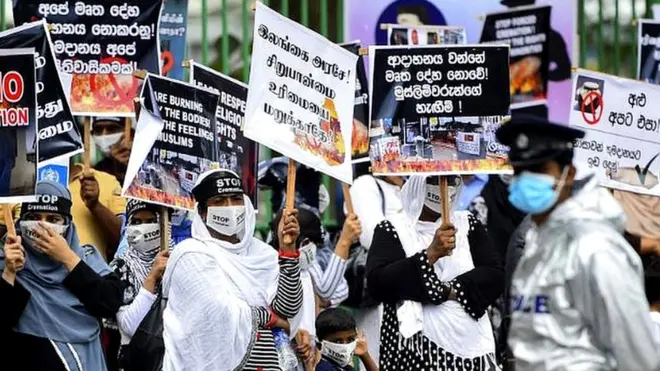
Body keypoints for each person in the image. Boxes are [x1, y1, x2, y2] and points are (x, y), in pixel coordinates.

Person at [496, 116, 660, 370]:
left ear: (568, 174)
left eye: (539, 171)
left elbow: (639, 356)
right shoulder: (535, 242)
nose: (526, 180)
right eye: (519, 171)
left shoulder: (595, 248)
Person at [162, 169, 303, 371]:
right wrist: (270, 318)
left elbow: (287, 311)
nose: (230, 208)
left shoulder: (263, 254)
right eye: (219, 201)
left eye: (236, 199)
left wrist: (288, 252)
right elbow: (217, 312)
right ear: (202, 211)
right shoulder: (190, 254)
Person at [366, 175, 503, 370]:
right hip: (416, 351)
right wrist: (430, 254)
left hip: (471, 343)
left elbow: (495, 274)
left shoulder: (467, 224)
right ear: (418, 182)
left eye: (451, 180)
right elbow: (378, 284)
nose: (444, 186)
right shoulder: (393, 228)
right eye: (435, 180)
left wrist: (450, 290)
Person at [0, 180, 123, 371]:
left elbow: (109, 303)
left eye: (53, 219)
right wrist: (9, 272)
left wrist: (67, 258)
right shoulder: (7, 259)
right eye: (34, 216)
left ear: (68, 225)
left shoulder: (86, 257)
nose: (42, 226)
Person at [108, 200, 172, 367]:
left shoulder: (180, 261)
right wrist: (151, 279)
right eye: (136, 222)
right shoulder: (120, 267)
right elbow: (130, 326)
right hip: (137, 361)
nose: (143, 228)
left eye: (150, 221)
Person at [69, 159, 126, 260]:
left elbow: (124, 240)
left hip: (90, 273)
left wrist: (95, 205)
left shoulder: (106, 181)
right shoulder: (32, 182)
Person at [92, 117, 133, 185]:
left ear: (130, 133)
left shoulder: (146, 162)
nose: (104, 135)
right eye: (98, 129)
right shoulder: (97, 170)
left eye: (112, 129)